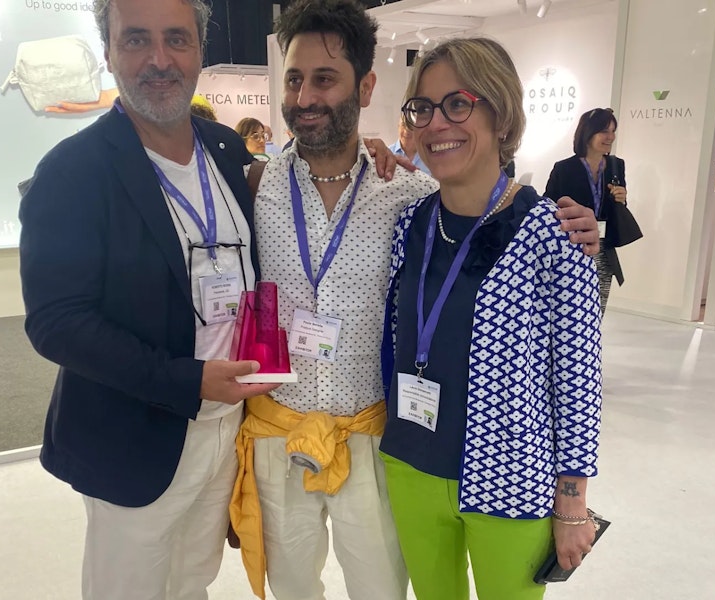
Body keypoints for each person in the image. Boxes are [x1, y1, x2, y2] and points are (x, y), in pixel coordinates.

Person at [228, 3, 601, 599]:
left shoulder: (406, 195)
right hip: (304, 437)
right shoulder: (257, 185)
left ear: (364, 87)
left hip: (392, 443)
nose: (305, 96)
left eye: (325, 78)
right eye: (294, 79)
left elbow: (577, 376)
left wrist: (573, 500)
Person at [19, 0, 282, 598]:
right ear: (108, 51)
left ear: (200, 51)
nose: (160, 59)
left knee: (192, 580)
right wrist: (186, 380)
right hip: (133, 432)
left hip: (225, 427)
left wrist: (369, 153)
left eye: (177, 39)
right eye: (137, 39)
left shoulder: (225, 149)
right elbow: (56, 321)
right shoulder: (72, 172)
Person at [379, 37, 603, 600]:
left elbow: (577, 377)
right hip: (411, 460)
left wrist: (572, 504)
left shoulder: (555, 233)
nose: (437, 123)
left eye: (458, 104)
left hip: (510, 477)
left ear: (500, 116)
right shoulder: (408, 224)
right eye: (423, 108)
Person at [545, 107, 627, 314]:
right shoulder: (564, 168)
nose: (610, 137)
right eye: (604, 131)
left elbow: (619, 208)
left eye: (613, 131)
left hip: (604, 248)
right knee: (570, 309)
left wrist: (622, 199)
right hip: (572, 246)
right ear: (588, 133)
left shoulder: (616, 165)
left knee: (598, 309)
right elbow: (548, 207)